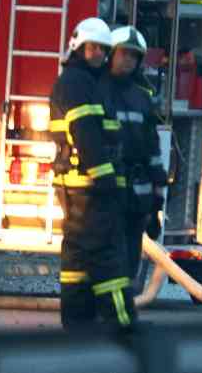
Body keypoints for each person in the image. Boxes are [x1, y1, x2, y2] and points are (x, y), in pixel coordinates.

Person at [49, 17, 136, 331]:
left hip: (78, 189)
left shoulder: (83, 81)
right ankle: (124, 330)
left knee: (77, 263)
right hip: (90, 190)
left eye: (103, 49)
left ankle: (77, 330)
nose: (98, 54)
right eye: (92, 48)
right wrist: (106, 180)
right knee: (107, 259)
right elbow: (86, 133)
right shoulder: (78, 82)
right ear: (78, 47)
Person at [99, 25, 166, 288]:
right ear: (111, 54)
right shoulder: (96, 91)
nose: (128, 60)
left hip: (137, 193)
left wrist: (156, 201)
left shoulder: (142, 98)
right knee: (107, 255)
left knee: (129, 257)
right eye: (123, 54)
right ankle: (107, 311)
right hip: (106, 189)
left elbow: (152, 148)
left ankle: (123, 306)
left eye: (133, 56)